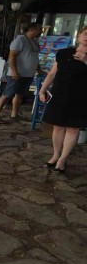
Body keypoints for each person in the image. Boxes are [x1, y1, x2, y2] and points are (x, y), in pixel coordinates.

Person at [39, 26, 87, 173]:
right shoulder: (64, 52)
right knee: (58, 126)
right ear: (78, 36)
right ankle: (55, 155)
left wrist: (85, 62)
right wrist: (42, 89)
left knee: (73, 129)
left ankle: (62, 159)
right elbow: (53, 73)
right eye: (85, 34)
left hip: (81, 97)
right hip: (60, 94)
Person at [0, 23, 44, 121]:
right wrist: (14, 71)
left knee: (20, 95)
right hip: (16, 74)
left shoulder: (34, 42)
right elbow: (12, 56)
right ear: (32, 29)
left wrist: (39, 69)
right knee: (7, 94)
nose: (41, 31)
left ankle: (14, 114)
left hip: (28, 74)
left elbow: (35, 58)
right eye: (39, 29)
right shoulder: (20, 40)